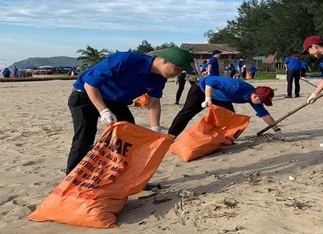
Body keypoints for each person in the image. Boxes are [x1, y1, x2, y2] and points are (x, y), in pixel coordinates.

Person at [65, 46, 194, 174]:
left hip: (116, 101)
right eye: (177, 69)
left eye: (181, 71)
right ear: (165, 61)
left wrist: (156, 129)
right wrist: (103, 111)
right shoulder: (125, 60)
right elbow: (90, 84)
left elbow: (153, 102)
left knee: (129, 137)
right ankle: (72, 178)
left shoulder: (159, 78)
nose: (178, 73)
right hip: (86, 96)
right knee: (84, 137)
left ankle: (126, 177)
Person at [168, 76, 288, 141]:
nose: (261, 104)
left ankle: (223, 138)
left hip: (220, 97)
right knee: (187, 113)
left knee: (230, 116)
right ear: (256, 95)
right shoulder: (237, 86)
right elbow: (210, 80)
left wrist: (277, 131)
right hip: (202, 89)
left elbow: (265, 115)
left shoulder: (254, 99)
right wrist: (208, 98)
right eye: (262, 101)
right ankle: (171, 136)